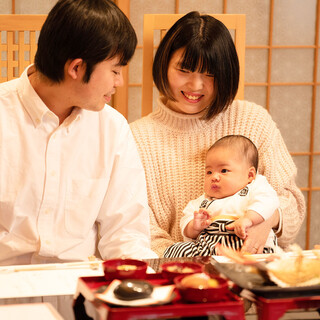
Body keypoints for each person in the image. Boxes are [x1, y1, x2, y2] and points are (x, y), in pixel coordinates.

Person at [130, 11, 305, 258]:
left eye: (210, 74)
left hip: (256, 271)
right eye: (184, 70)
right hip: (179, 277)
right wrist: (196, 266)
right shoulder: (137, 138)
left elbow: (292, 204)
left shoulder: (253, 120)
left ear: (226, 74)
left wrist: (267, 218)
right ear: (164, 64)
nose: (195, 85)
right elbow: (139, 228)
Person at [0, 0, 158, 267]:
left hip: (80, 292)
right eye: (115, 70)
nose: (118, 82)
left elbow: (125, 233)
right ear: (76, 68)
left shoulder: (112, 128)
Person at [163, 135, 280, 258]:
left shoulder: (255, 188)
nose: (214, 177)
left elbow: (268, 202)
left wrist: (249, 219)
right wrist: (194, 226)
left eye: (223, 170)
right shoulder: (203, 201)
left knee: (264, 258)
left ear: (250, 175)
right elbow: (186, 218)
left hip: (244, 244)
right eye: (209, 172)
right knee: (175, 250)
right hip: (210, 249)